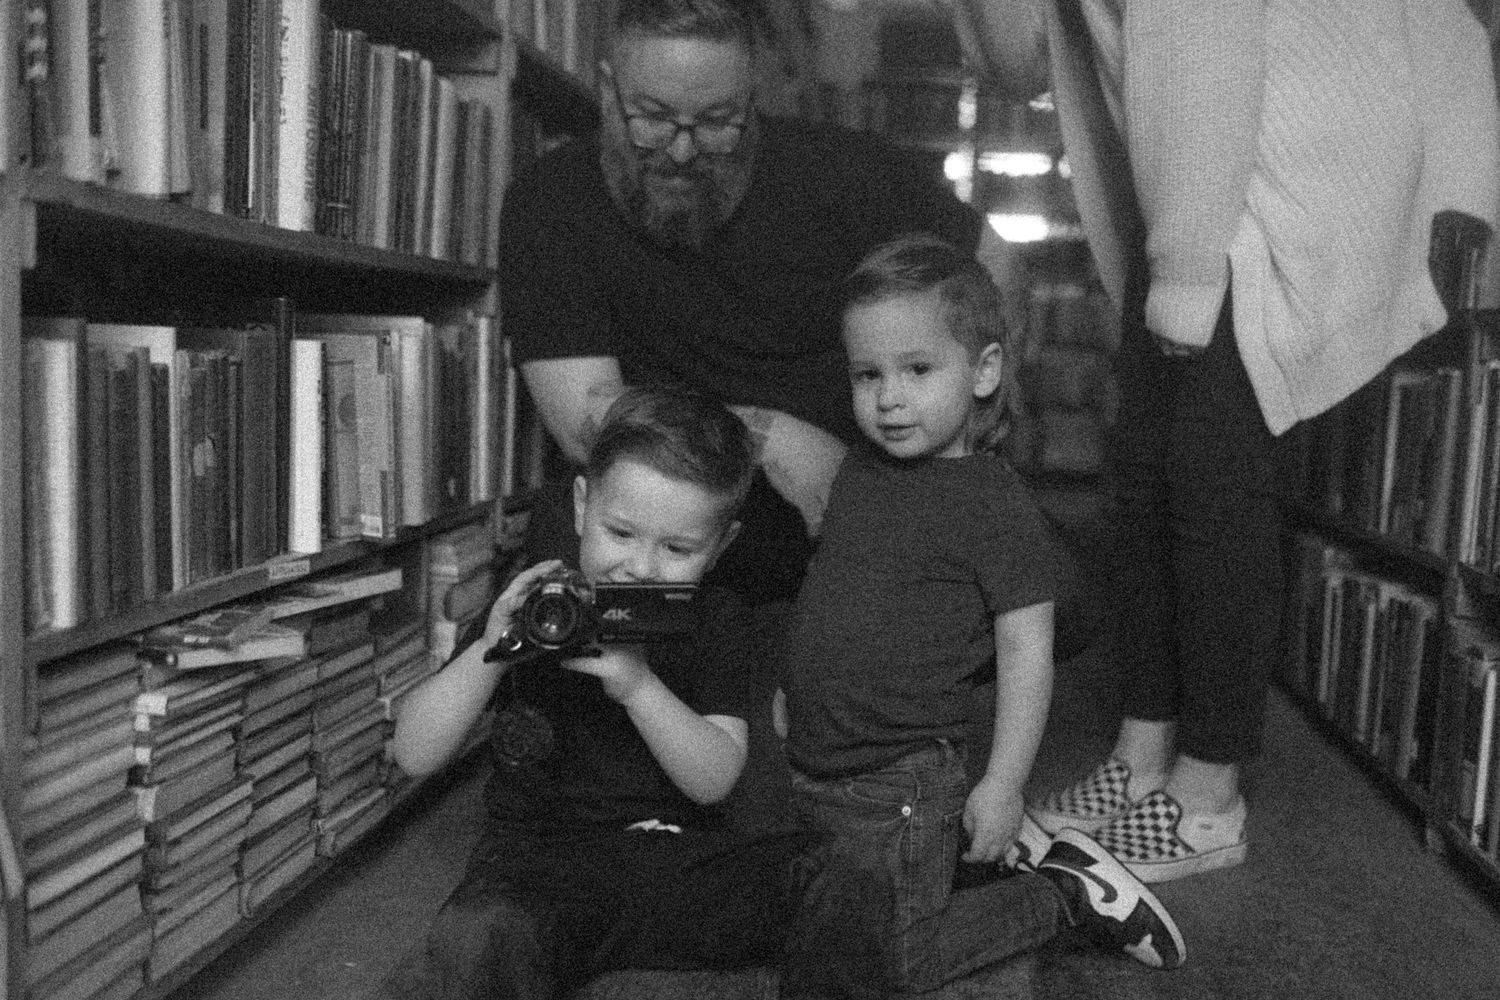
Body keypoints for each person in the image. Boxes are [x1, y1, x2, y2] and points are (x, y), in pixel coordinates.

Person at [970, 0, 1500, 882]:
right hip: (1204, 165)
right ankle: (1145, 753)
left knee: (1211, 490)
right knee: (1141, 478)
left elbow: (1201, 58)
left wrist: (1181, 272)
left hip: (1275, 159)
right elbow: (1018, 63)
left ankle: (1209, 795)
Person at [498, 0, 1029, 608]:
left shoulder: (846, 174)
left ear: (755, 99)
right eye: (651, 118)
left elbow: (999, 268)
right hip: (651, 533)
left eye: (717, 121)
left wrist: (958, 450)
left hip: (851, 534)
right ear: (608, 88)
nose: (681, 150)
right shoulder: (552, 200)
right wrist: (770, 437)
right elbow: (584, 420)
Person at [775, 234, 1185, 998]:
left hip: (904, 778)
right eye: (868, 374)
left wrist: (1003, 783)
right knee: (825, 933)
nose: (888, 397)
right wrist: (793, 684)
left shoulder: (992, 503)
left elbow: (1028, 649)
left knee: (900, 962)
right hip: (819, 766)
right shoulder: (860, 473)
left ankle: (1059, 898)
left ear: (985, 371)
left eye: (917, 370)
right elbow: (833, 587)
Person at [391, 387, 813, 998]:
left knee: (824, 875)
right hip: (540, 861)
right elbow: (415, 753)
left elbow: (715, 778)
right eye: (620, 532)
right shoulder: (540, 604)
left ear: (720, 547)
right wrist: (490, 652)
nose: (640, 567)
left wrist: (639, 687)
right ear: (584, 506)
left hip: (669, 859)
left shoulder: (717, 619)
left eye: (677, 549)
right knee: (476, 935)